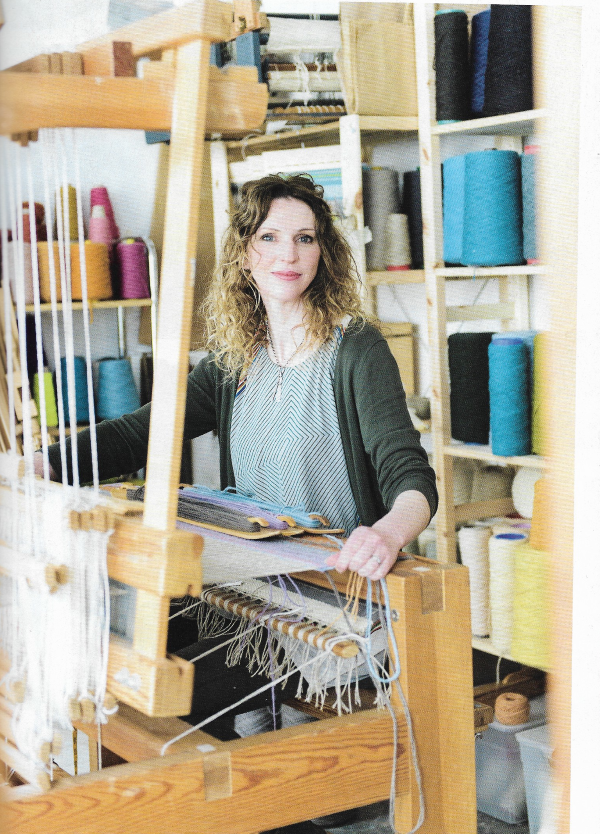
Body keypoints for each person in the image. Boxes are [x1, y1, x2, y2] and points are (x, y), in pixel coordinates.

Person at [37, 173, 437, 833]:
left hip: (332, 610)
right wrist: (44, 463)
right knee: (128, 658)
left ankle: (270, 801)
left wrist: (389, 532)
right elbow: (143, 432)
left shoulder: (355, 349)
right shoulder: (234, 360)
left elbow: (409, 473)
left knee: (173, 704)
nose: (289, 254)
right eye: (270, 237)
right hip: (248, 597)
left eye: (305, 238)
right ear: (245, 254)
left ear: (324, 251)